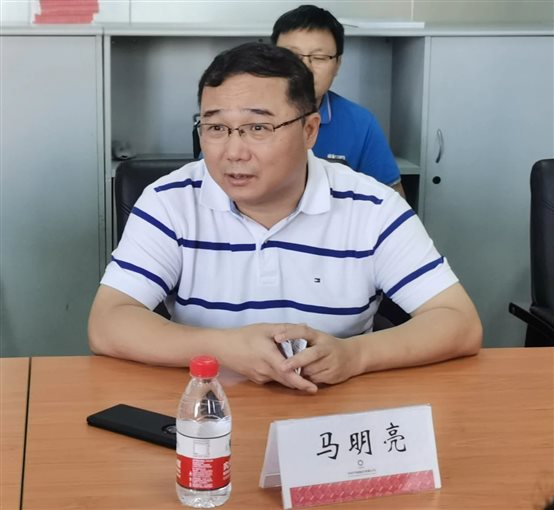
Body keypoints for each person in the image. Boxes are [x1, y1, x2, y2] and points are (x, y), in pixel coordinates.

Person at [88, 42, 482, 394]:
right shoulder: (170, 201)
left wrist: (355, 355)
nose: (233, 152)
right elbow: (108, 322)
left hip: (336, 408)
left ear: (310, 130)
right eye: (216, 127)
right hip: (208, 408)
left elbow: (459, 322)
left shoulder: (372, 207)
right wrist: (222, 347)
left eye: (258, 127)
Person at [271, 4, 405, 196]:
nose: (305, 68)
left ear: (337, 65)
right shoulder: (242, 116)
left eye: (319, 57)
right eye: (292, 56)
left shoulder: (360, 124)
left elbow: (393, 199)